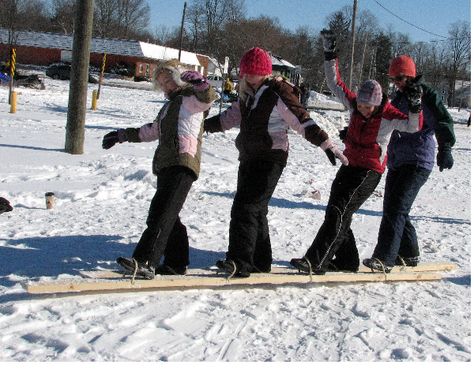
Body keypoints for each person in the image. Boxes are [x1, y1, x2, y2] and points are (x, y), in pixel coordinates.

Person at [204, 47, 348, 278]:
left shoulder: (277, 91)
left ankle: (239, 261)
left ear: (265, 72)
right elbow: (228, 118)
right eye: (246, 72)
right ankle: (260, 260)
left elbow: (301, 120)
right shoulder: (247, 94)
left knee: (246, 207)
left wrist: (325, 143)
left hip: (271, 157)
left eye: (254, 72)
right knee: (256, 209)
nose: (249, 76)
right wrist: (200, 127)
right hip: (249, 156)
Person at [290, 30, 422, 275]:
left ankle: (316, 260)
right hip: (349, 163)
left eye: (368, 107)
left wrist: (415, 106)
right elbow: (334, 83)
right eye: (360, 105)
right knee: (336, 210)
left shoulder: (388, 114)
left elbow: (414, 126)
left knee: (340, 210)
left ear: (378, 103)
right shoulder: (354, 105)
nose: (363, 110)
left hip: (369, 171)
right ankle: (347, 260)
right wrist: (330, 54)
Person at [102, 59, 218, 279]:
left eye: (169, 80)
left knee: (161, 214)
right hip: (166, 163)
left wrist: (202, 84)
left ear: (178, 78)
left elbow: (208, 99)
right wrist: (122, 135)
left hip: (183, 161)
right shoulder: (168, 107)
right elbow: (152, 131)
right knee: (167, 214)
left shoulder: (190, 99)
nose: (166, 86)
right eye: (162, 82)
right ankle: (176, 262)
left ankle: (145, 261)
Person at [362, 55, 456, 272]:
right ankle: (409, 254)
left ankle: (384, 258)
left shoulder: (426, 95)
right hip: (398, 160)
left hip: (418, 160)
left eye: (400, 78)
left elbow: (443, 120)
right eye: (394, 79)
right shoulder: (399, 97)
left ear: (410, 75)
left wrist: (446, 147)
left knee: (396, 208)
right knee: (393, 208)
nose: (397, 83)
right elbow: (385, 120)